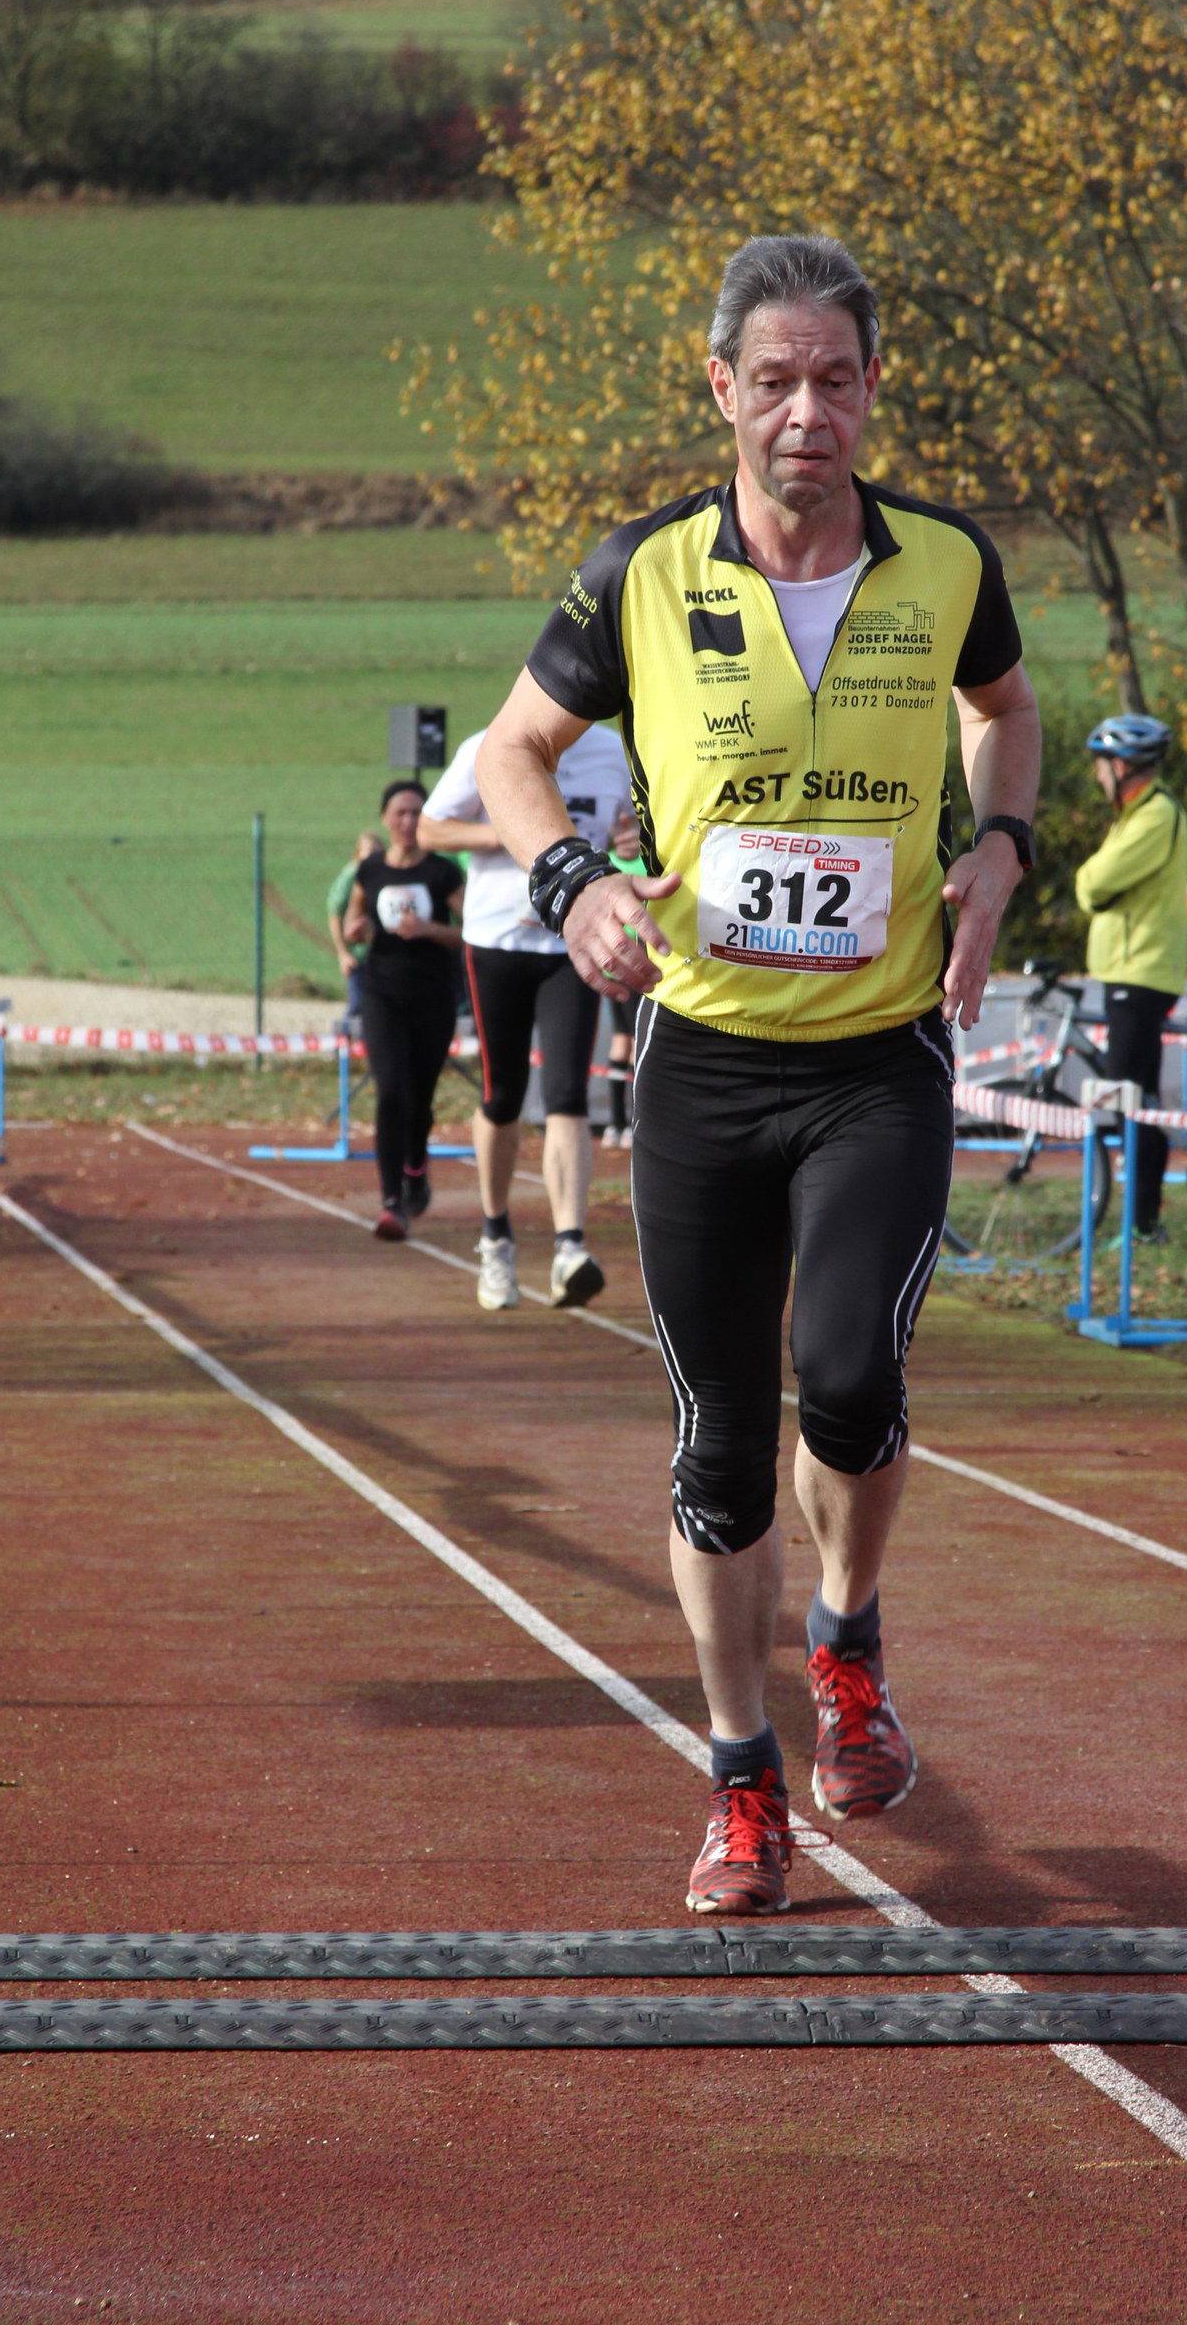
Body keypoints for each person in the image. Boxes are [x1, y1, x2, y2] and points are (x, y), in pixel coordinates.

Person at [473, 232, 1040, 1915]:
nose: (807, 413)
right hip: (703, 1065)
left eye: (835, 380)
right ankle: (742, 1784)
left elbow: (1004, 710)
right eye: (775, 380)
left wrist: (998, 848)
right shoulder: (641, 574)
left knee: (848, 1377)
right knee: (722, 1445)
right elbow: (513, 750)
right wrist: (572, 885)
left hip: (878, 1061)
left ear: (871, 391)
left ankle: (846, 1639)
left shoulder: (946, 564)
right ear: (721, 387)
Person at [419, 718, 634, 1310]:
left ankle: (570, 1247)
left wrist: (631, 842)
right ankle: (496, 1239)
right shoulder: (489, 746)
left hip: (571, 940)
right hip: (497, 941)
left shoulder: (614, 753)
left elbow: (637, 828)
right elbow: (430, 828)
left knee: (567, 1094)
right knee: (502, 1094)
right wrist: (510, 834)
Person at [1073, 715, 1187, 1241]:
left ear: (1121, 766)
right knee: (1137, 1097)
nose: (1099, 776)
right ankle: (1144, 1220)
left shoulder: (1155, 815)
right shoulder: (1137, 814)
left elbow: (1094, 882)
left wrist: (1089, 882)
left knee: (1128, 1100)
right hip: (1132, 970)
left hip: (1140, 971)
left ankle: (1143, 1222)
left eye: (1102, 766)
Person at [343, 782, 464, 1241]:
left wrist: (431, 929)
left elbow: (471, 930)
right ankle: (391, 1201)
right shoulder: (370, 869)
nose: (409, 821)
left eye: (417, 812)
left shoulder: (442, 871)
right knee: (391, 1092)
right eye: (400, 813)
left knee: (421, 1098)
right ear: (385, 818)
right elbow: (354, 920)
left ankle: (416, 1166)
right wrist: (356, 931)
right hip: (382, 995)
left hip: (433, 996)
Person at [601, 809, 647, 1152]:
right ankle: (624, 1123)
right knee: (629, 1043)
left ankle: (619, 1124)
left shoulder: (648, 865)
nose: (628, 839)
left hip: (640, 965)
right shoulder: (606, 864)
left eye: (634, 833)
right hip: (620, 967)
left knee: (622, 1042)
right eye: (622, 832)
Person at [327, 828, 384, 1022]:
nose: (373, 856)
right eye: (368, 851)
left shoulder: (384, 875)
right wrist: (343, 954)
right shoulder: (350, 877)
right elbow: (335, 914)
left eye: (377, 852)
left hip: (381, 955)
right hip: (358, 957)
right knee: (358, 1007)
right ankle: (344, 1040)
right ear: (358, 854)